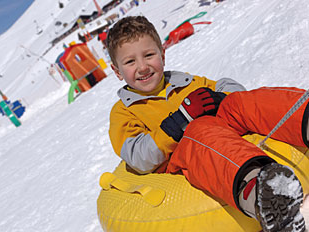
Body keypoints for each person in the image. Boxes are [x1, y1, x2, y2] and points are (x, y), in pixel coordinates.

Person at [106, 16, 306, 232]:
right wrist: (178, 123)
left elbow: (228, 86)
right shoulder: (123, 112)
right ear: (117, 71)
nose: (143, 67)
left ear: (162, 54)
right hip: (186, 155)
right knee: (198, 130)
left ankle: (304, 118)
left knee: (236, 101)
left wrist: (220, 97)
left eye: (149, 55)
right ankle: (263, 195)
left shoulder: (184, 82)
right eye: (130, 62)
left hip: (219, 133)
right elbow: (137, 157)